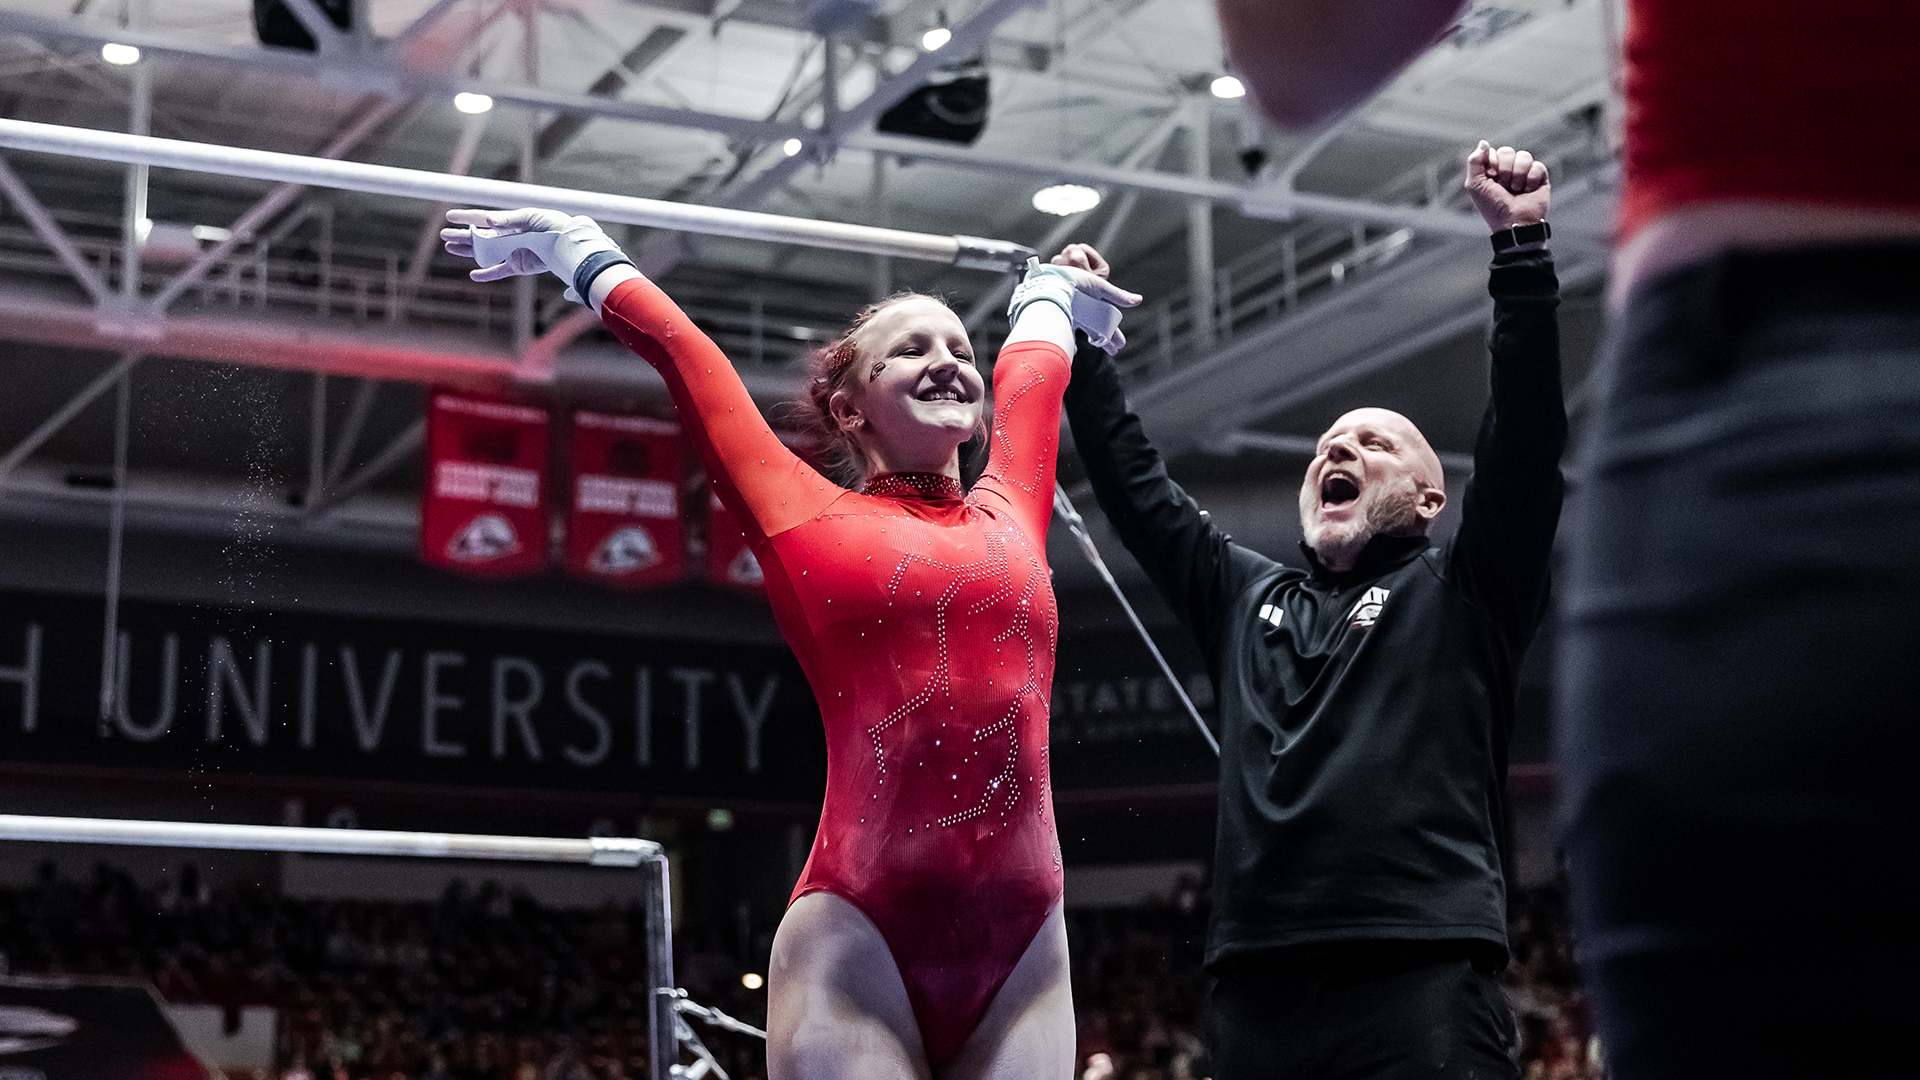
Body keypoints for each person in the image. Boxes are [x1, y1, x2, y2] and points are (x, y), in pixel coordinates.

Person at [1213, 4, 1920, 1077]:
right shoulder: (1336, 593)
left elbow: (1301, 56)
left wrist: (1523, 255)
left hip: (1758, 389)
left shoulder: (1461, 588)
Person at [443, 210, 1138, 1080]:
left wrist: (1055, 289)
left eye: (958, 346)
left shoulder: (1013, 507)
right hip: (861, 940)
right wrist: (574, 247)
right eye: (911, 349)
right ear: (849, 408)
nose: (948, 360)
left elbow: (1032, 372)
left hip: (1027, 944)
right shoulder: (804, 515)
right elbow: (688, 360)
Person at [1058, 142, 1564, 1080]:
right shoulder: (1250, 597)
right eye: (1329, 442)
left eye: (1373, 442)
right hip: (1254, 1001)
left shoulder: (1467, 592)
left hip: (1421, 987)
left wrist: (1521, 252)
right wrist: (1082, 343)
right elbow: (1137, 492)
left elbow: (1528, 442)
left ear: (1428, 498)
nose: (1339, 447)